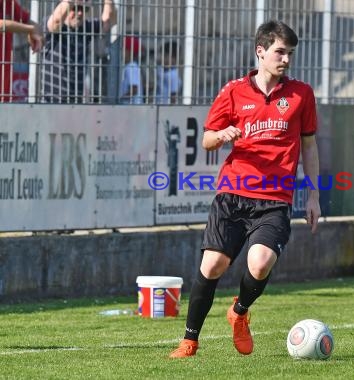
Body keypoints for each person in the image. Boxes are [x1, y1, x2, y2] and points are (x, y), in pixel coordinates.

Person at [169, 20, 321, 358]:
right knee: (212, 267)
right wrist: (222, 136)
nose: (286, 59)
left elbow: (309, 146)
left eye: (290, 53)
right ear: (261, 51)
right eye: (280, 52)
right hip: (233, 194)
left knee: (261, 262)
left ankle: (239, 312)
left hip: (274, 199)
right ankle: (189, 341)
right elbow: (208, 138)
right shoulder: (233, 91)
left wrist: (313, 195)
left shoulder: (301, 95)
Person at [41, 0, 117, 103]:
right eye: (75, 8)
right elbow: (56, 21)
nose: (80, 13)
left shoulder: (85, 28)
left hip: (76, 104)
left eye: (84, 9)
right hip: (51, 102)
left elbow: (110, 21)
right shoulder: (51, 24)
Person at [0, 0, 43, 102]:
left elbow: (26, 19)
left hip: (4, 74)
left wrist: (38, 32)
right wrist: (29, 29)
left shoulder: (7, 2)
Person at [119, 35, 143, 104]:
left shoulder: (132, 66)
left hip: (132, 107)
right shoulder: (128, 66)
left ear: (130, 51)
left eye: (123, 49)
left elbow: (134, 90)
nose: (120, 52)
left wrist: (119, 99)